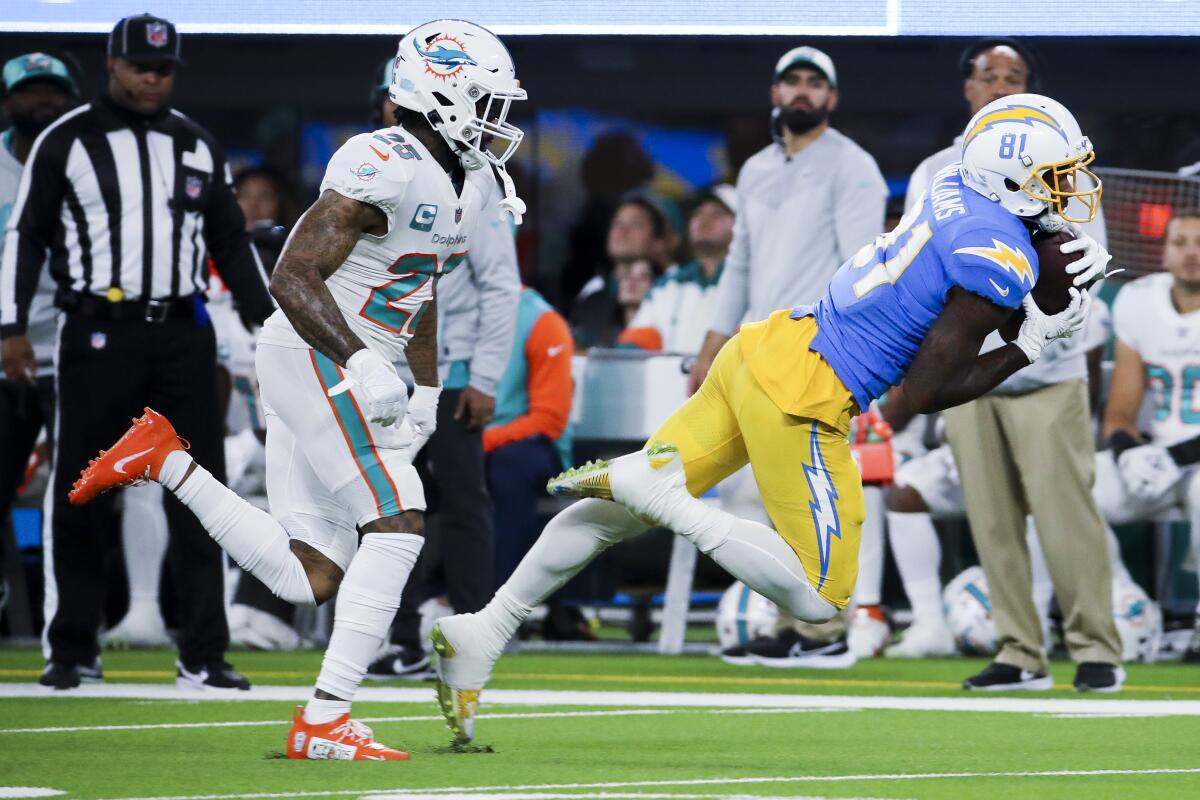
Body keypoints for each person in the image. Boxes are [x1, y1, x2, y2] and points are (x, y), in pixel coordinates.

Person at [429, 93, 1111, 743]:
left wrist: (1032, 292)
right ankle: (671, 502)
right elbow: (927, 391)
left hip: (767, 343)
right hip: (809, 394)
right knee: (821, 597)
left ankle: (484, 631)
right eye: (1055, 176)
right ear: (1011, 175)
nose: (1067, 190)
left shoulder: (953, 188)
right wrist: (1029, 342)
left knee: (617, 511)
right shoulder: (996, 255)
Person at [69, 19, 527, 760]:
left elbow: (422, 288)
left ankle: (165, 458)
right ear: (439, 92)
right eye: (483, 99)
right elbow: (291, 274)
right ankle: (324, 717)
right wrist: (360, 361)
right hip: (315, 352)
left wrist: (426, 390)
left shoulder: (469, 184)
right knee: (400, 518)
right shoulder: (384, 160)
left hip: (358, 364)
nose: (496, 120)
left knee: (306, 574)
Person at [1, 16, 277, 690]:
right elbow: (27, 236)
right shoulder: (66, 141)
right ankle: (71, 649)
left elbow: (231, 242)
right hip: (97, 332)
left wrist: (267, 324)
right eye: (141, 66)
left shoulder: (195, 143)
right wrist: (9, 326)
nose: (154, 78)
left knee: (202, 495)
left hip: (183, 333)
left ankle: (204, 653)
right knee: (84, 489)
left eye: (164, 68)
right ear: (112, 65)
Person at [895, 39, 1124, 691]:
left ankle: (1096, 647)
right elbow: (918, 265)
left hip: (1047, 372)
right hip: (969, 369)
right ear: (967, 89)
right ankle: (1020, 650)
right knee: (989, 519)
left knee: (1065, 515)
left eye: (1012, 77)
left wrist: (1035, 320)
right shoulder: (934, 172)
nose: (998, 86)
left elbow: (1086, 267)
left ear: (1032, 90)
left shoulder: (1063, 162)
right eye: (987, 76)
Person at [688, 46, 889, 666]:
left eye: (815, 84)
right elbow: (740, 264)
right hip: (753, 349)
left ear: (832, 99)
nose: (803, 92)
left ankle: (829, 630)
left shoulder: (854, 167)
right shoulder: (754, 171)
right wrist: (711, 345)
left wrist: (848, 355)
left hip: (817, 348)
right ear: (776, 94)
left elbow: (863, 267)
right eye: (792, 82)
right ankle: (788, 623)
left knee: (810, 492)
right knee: (753, 498)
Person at [359, 58, 521, 682]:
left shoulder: (477, 181)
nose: (393, 111)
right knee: (385, 505)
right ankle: (393, 635)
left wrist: (483, 377)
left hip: (447, 375)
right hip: (380, 371)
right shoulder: (370, 175)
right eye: (388, 100)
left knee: (459, 503)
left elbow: (500, 289)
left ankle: (476, 629)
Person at [0, 52, 78, 626]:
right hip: (3, 347)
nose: (44, 101)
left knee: (76, 495)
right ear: (8, 102)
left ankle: (73, 618)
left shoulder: (82, 159)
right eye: (31, 92)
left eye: (55, 91)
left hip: (74, 348)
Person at [1102, 210, 1200, 664]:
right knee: (1071, 490)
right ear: (1162, 251)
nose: (1191, 253)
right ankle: (1126, 605)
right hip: (1160, 458)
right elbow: (1119, 412)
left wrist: (1179, 455)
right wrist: (1126, 453)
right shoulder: (1139, 302)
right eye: (1180, 242)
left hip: (1188, 462)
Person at [484, 286, 574, 587]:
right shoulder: (447, 307)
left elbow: (549, 420)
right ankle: (407, 608)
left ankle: (498, 603)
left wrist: (480, 444)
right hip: (470, 440)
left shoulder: (541, 319)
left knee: (509, 467)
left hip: (532, 446)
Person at [619, 185, 736, 353]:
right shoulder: (666, 286)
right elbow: (633, 346)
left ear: (742, 224)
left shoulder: (755, 284)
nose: (704, 220)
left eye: (717, 213)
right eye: (698, 213)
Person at [570, 197, 670, 349]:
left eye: (636, 224)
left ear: (657, 242)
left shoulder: (669, 292)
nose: (622, 231)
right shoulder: (592, 292)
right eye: (617, 223)